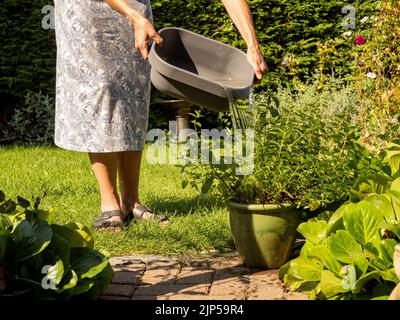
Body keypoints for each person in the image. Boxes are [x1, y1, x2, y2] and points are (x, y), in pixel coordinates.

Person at [53, 0, 267, 232]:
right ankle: (109, 203)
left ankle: (131, 202)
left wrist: (252, 45)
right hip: (88, 12)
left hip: (136, 10)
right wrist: (133, 16)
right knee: (101, 89)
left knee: (133, 94)